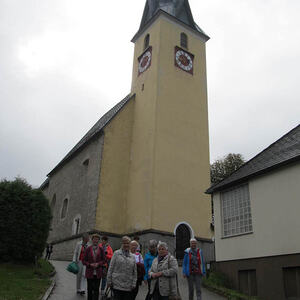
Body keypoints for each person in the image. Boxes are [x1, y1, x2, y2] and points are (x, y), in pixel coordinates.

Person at [83, 233, 106, 300]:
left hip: (98, 272)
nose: (96, 241)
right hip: (90, 272)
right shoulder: (88, 249)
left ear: (99, 240)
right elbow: (84, 260)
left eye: (97, 239)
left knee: (96, 289)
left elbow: (104, 260)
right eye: (94, 239)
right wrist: (90, 264)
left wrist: (98, 264)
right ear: (92, 240)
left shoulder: (101, 249)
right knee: (89, 289)